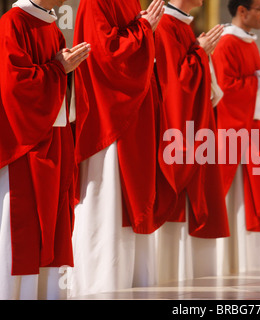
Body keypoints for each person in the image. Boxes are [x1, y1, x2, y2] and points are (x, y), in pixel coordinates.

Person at [69, 0, 170, 298]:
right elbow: (106, 53)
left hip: (134, 115)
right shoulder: (95, 2)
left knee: (132, 196)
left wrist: (142, 29)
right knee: (107, 195)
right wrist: (143, 28)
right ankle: (100, 283)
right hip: (109, 116)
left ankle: (135, 281)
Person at [0, 0, 89, 299]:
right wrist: (58, 68)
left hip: (53, 137)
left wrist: (62, 70)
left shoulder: (50, 26)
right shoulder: (13, 23)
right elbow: (14, 87)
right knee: (22, 220)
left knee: (53, 219)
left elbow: (57, 77)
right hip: (22, 144)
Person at [154, 0, 230, 283]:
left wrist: (199, 52)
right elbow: (175, 85)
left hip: (196, 128)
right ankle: (174, 278)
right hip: (178, 131)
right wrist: (200, 52)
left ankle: (195, 279)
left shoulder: (182, 26)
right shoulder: (164, 26)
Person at [212, 0, 260, 273]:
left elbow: (252, 81)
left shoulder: (248, 42)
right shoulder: (226, 42)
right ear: (241, 11)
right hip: (235, 138)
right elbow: (225, 92)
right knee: (238, 204)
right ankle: (230, 265)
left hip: (253, 136)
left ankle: (248, 265)